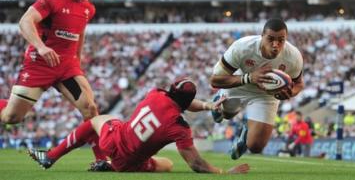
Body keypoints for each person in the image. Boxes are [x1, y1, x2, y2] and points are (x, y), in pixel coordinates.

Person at [28, 78, 250, 174]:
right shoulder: (179, 126)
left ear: (171, 91)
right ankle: (106, 164)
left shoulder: (156, 93)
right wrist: (222, 172)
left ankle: (52, 156)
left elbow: (180, 101)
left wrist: (207, 105)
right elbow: (196, 164)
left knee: (96, 120)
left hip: (113, 140)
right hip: (130, 164)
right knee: (168, 165)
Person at [0, 0, 105, 160]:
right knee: (11, 118)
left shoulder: (88, 9)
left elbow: (79, 33)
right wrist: (41, 47)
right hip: (40, 64)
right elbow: (25, 21)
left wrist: (78, 62)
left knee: (90, 108)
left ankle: (101, 159)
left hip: (67, 67)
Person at [210, 18, 304, 159]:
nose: (275, 45)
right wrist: (248, 78)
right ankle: (221, 99)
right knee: (227, 115)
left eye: (281, 40)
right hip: (239, 84)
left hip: (266, 95)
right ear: (262, 36)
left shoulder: (293, 56)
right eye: (270, 39)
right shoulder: (242, 47)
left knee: (256, 147)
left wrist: (290, 93)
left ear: (286, 39)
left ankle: (245, 134)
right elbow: (214, 80)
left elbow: (299, 84)